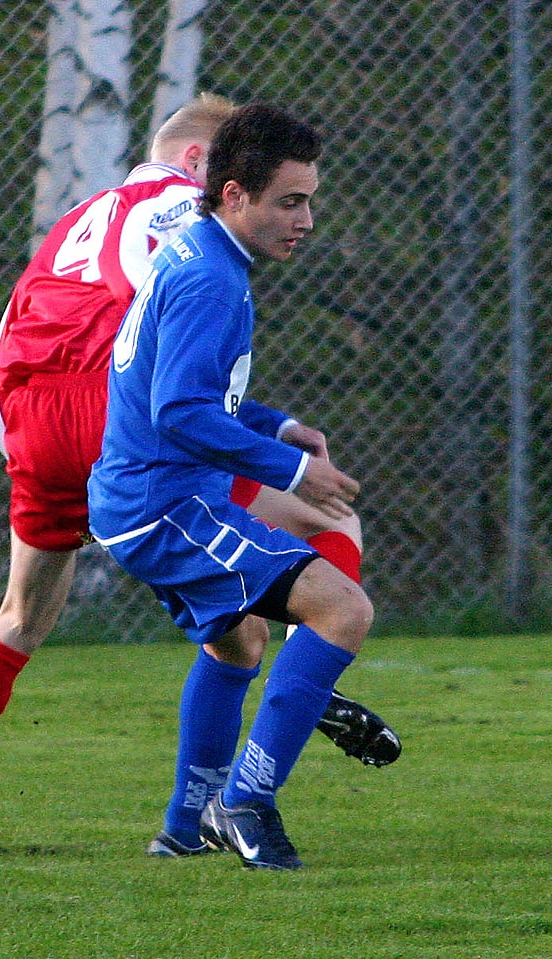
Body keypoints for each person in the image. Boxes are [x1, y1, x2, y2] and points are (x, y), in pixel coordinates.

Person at [0, 95, 397, 855]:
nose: (299, 215)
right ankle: (306, 685)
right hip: (119, 422)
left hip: (25, 418)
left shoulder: (78, 217)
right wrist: (285, 454)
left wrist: (17, 441)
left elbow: (20, 327)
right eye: (284, 197)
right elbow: (177, 378)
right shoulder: (184, 221)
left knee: (24, 618)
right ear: (206, 167)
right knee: (328, 531)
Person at [88, 104, 372, 870]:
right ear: (235, 193)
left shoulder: (194, 254)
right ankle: (244, 802)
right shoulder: (213, 278)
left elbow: (186, 389)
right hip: (165, 506)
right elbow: (177, 412)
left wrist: (278, 428)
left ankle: (184, 828)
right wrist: (289, 470)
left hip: (137, 500)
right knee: (342, 609)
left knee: (238, 640)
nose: (306, 218)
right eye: (289, 201)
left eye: (310, 199)